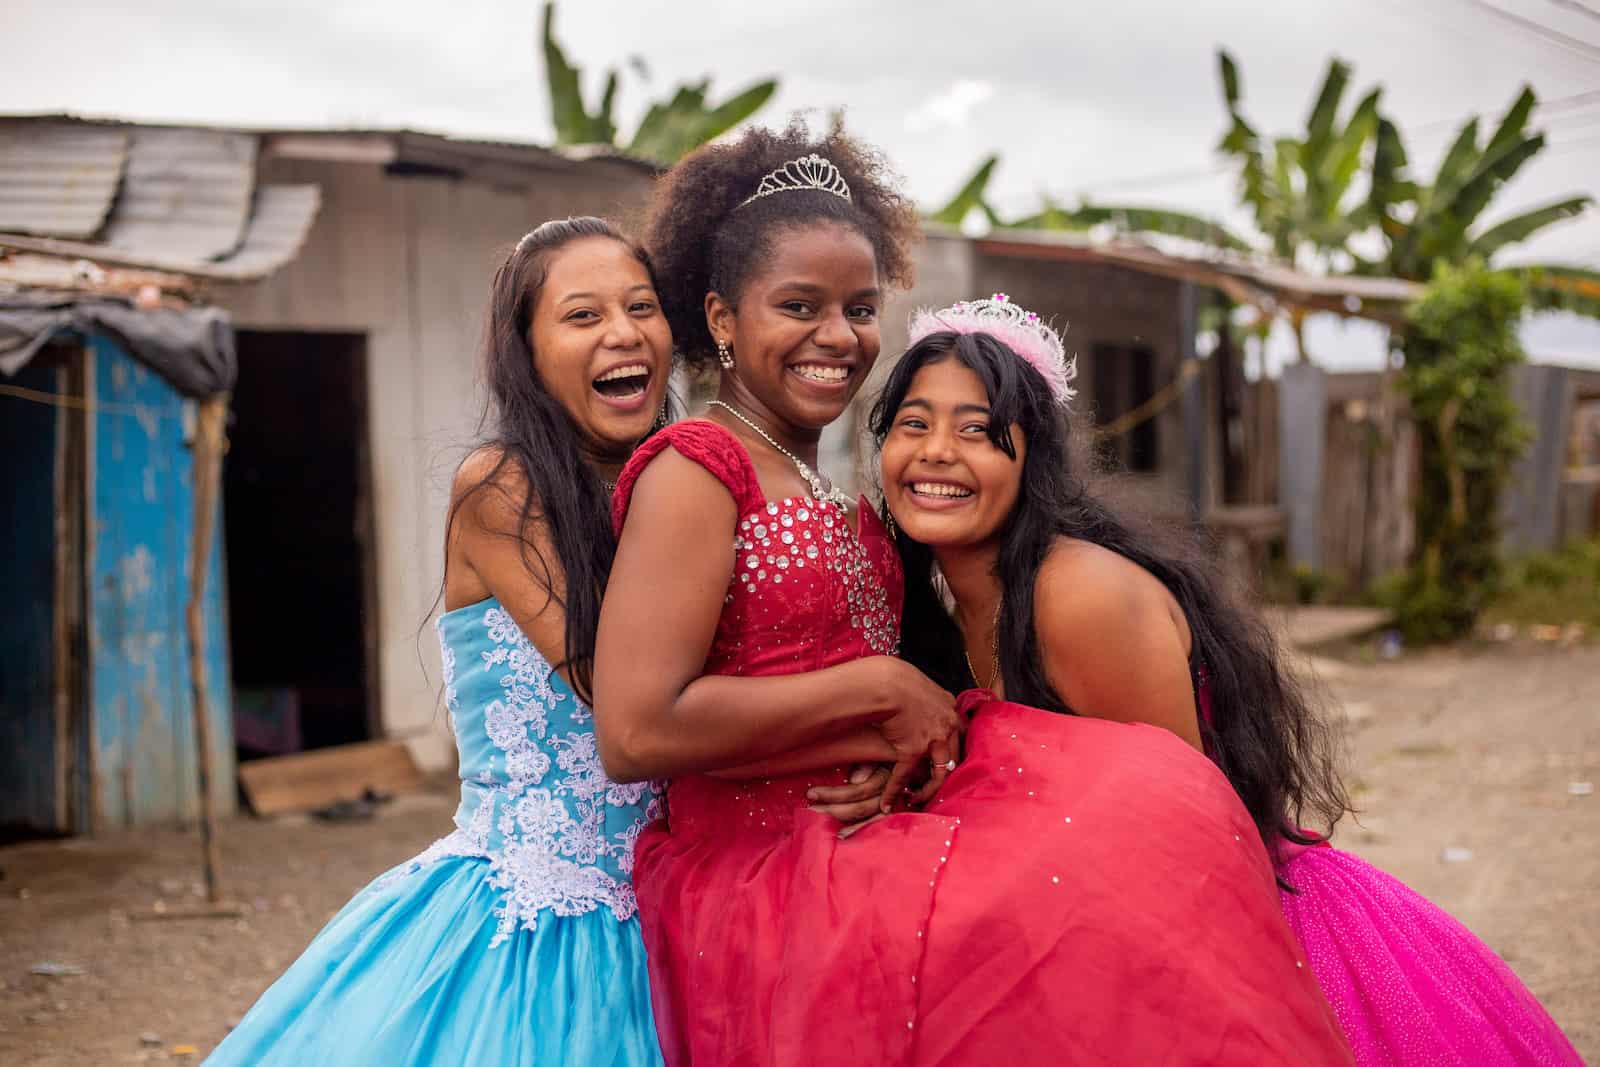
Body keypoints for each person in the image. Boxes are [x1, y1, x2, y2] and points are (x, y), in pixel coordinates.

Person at [591, 125, 1353, 1066]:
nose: (838, 335)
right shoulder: (697, 470)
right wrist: (879, 695)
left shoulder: (826, 482)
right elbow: (636, 730)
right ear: (719, 317)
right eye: (799, 304)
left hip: (870, 838)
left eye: (861, 307)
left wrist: (895, 739)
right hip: (767, 878)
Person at [872, 293, 1585, 1067]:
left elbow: (1188, 838)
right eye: (915, 422)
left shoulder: (1078, 597)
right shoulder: (933, 599)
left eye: (977, 430)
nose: (937, 449)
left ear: (1032, 455)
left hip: (1228, 930)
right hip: (1090, 930)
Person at [206, 217, 674, 1066]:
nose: (622, 331)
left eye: (642, 306)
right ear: (524, 352)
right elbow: (625, 694)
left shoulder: (681, 488)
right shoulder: (503, 486)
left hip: (678, 908)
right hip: (533, 927)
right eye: (582, 315)